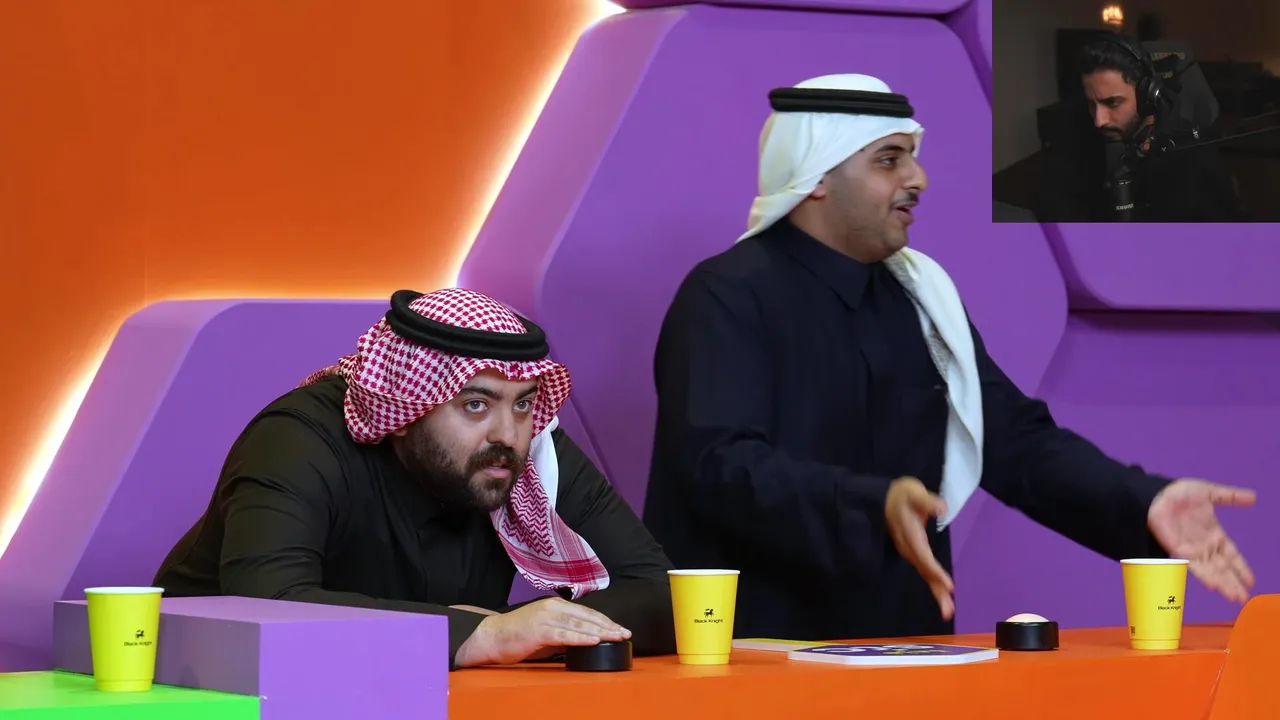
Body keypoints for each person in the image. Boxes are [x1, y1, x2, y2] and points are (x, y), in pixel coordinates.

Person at [642, 73, 1257, 642]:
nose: (918, 179)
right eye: (889, 159)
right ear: (815, 177)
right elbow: (718, 467)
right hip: (754, 651)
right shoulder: (726, 295)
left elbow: (1012, 440)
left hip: (905, 648)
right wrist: (872, 503)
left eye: (911, 156)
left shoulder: (919, 296)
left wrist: (1143, 502)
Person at [155, 288, 676, 668]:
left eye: (522, 404)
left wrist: (519, 627)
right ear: (406, 407)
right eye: (475, 404)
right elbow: (265, 606)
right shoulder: (299, 438)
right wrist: (481, 633)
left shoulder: (519, 446)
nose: (508, 433)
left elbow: (662, 594)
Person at [1037, 34, 1244, 222]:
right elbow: (1055, 206)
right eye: (1092, 104)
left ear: (1147, 96)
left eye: (1112, 103)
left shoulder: (1192, 154)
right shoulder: (1076, 139)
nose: (1099, 120)